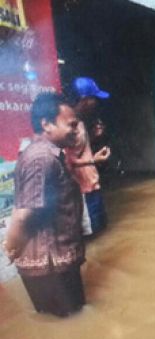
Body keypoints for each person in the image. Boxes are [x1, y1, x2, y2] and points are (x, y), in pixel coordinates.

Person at [2, 93, 86, 317]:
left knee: (72, 321)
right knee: (68, 323)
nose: (76, 130)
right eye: (71, 125)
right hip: (49, 265)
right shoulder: (41, 158)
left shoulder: (50, 154)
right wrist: (11, 249)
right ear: (46, 124)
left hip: (54, 261)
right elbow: (22, 215)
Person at [70, 77, 112, 234]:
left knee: (101, 231)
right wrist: (93, 160)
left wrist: (94, 136)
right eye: (94, 98)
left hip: (92, 185)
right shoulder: (69, 125)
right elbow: (66, 160)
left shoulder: (79, 122)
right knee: (92, 236)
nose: (96, 103)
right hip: (82, 191)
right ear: (85, 100)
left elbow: (79, 151)